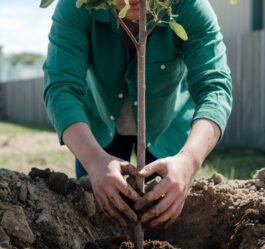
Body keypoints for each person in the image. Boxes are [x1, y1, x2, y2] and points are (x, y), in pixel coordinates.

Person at [43, 0, 232, 229]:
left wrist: (189, 160)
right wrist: (93, 160)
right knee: (96, 218)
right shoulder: (77, 5)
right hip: (101, 127)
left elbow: (214, 88)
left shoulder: (188, 5)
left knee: (163, 219)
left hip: (165, 127)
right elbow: (61, 87)